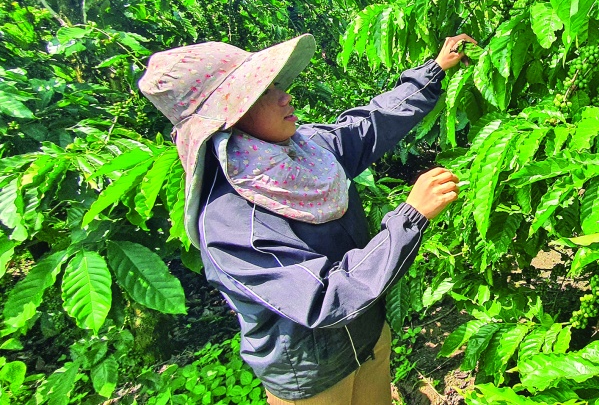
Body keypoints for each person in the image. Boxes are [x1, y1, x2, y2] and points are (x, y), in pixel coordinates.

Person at [139, 32, 475, 404]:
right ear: (228, 120)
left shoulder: (307, 149)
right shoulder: (231, 221)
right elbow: (323, 299)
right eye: (262, 92)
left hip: (367, 337)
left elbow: (368, 127)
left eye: (277, 85)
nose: (285, 96)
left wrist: (432, 71)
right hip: (311, 375)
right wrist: (410, 217)